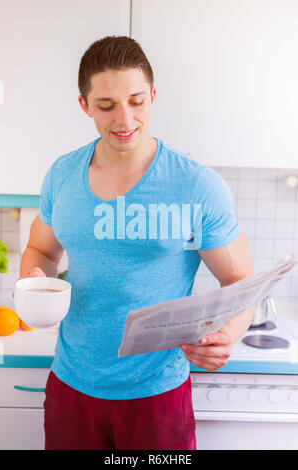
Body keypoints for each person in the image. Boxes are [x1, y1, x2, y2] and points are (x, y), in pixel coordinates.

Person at [18, 35, 255, 450]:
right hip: (72, 386)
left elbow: (240, 279)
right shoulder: (61, 175)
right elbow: (42, 249)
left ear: (153, 96)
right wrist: (36, 280)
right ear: (85, 105)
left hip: (157, 395)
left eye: (137, 100)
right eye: (107, 106)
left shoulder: (196, 185)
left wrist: (228, 334)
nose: (124, 118)